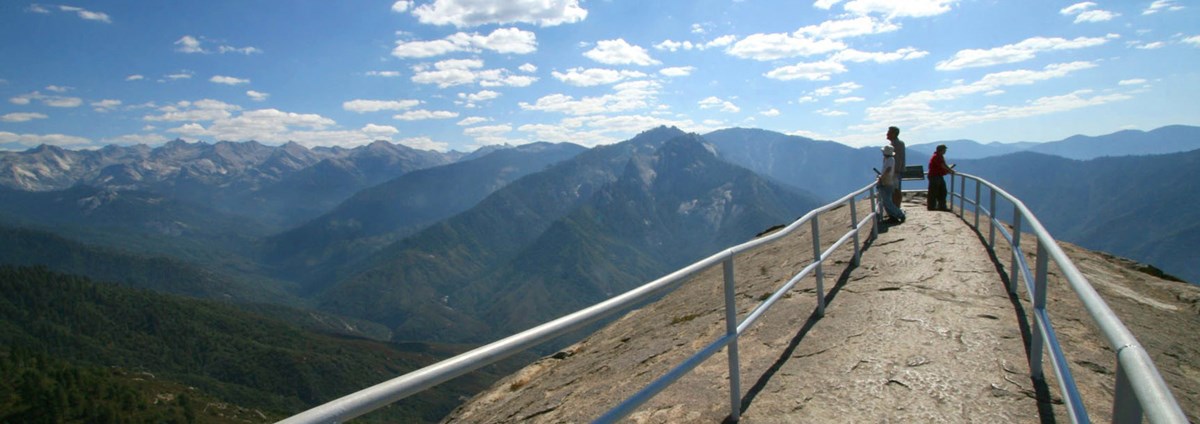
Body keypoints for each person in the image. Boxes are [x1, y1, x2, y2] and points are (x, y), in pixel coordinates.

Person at [879, 145, 906, 224]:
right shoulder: (889, 159)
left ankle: (900, 214)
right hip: (888, 182)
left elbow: (888, 169)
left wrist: (882, 177)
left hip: (886, 182)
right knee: (886, 201)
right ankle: (893, 217)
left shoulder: (890, 160)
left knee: (887, 202)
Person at [927, 144, 956, 211]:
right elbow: (942, 165)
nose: (945, 151)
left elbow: (942, 166)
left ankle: (941, 206)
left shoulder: (938, 156)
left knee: (942, 191)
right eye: (944, 149)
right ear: (941, 150)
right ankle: (932, 207)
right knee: (934, 192)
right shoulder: (937, 157)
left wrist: (948, 170)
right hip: (935, 176)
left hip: (938, 176)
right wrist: (950, 170)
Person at [886, 126, 906, 207]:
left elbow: (898, 159)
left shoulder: (897, 144)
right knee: (894, 191)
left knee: (895, 191)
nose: (887, 134)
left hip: (895, 172)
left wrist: (892, 171)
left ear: (894, 134)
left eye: (889, 132)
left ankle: (896, 208)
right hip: (895, 171)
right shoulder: (897, 144)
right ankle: (895, 208)